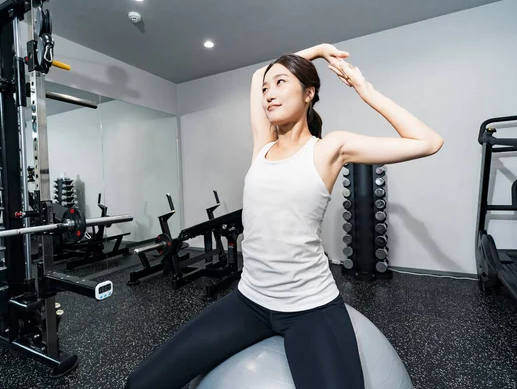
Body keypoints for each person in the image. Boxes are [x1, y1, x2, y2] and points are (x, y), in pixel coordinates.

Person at [125, 43, 443, 389]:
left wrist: (365, 91)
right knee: (141, 384)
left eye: (281, 84)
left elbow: (428, 141)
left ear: (309, 94)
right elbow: (256, 75)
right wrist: (319, 50)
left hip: (312, 308)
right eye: (266, 88)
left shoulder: (328, 148)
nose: (268, 94)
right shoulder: (262, 146)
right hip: (250, 301)